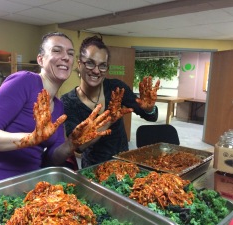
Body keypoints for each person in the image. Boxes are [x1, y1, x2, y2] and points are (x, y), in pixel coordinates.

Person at [0, 32, 111, 225]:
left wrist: (71, 144)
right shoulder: (24, 81)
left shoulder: (59, 106)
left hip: (28, 196)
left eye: (70, 53)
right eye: (57, 51)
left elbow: (52, 158)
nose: (65, 57)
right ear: (41, 59)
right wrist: (31, 138)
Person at [61, 35, 160, 168]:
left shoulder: (116, 88)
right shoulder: (68, 101)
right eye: (90, 63)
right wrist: (109, 121)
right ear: (79, 64)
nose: (96, 71)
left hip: (123, 164)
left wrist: (149, 109)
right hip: (93, 168)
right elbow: (79, 146)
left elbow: (151, 117)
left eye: (102, 66)